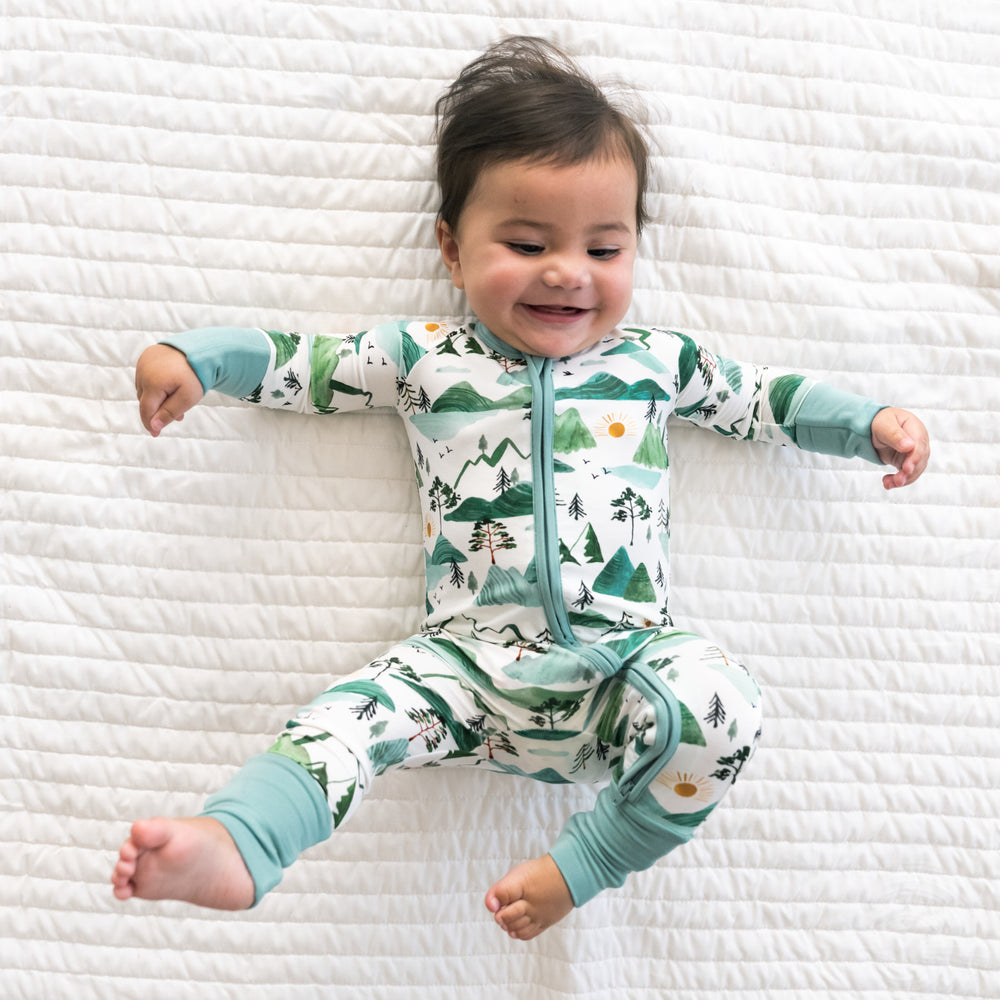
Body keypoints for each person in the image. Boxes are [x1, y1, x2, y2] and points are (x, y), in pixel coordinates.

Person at [111, 36, 930, 941]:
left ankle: (591, 861)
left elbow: (765, 399)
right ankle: (240, 839)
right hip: (461, 668)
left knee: (724, 703)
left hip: (626, 672)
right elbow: (310, 366)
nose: (567, 270)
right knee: (345, 719)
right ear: (453, 252)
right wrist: (201, 360)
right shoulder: (424, 357)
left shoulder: (657, 361)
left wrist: (867, 424)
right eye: (528, 242)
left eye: (604, 246)